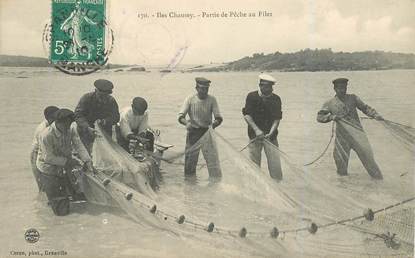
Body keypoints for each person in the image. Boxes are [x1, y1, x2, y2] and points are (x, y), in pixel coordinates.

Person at [317, 78, 384, 179]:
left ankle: (379, 184)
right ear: (335, 89)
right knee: (341, 166)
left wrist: (375, 115)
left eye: (344, 87)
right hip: (342, 139)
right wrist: (331, 117)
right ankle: (344, 187)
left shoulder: (353, 98)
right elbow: (319, 117)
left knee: (370, 162)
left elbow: (365, 108)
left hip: (358, 136)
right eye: (340, 88)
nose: (342, 90)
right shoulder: (329, 103)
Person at [37, 108, 94, 216]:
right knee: (62, 211)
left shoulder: (70, 129)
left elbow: (78, 145)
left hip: (65, 163)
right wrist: (69, 161)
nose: (68, 127)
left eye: (69, 124)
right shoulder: (46, 135)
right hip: (48, 168)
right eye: (65, 125)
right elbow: (48, 158)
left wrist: (87, 161)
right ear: (57, 122)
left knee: (78, 197)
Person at [178, 77, 223, 177]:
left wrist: (214, 124)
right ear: (197, 88)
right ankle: (190, 187)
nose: (204, 91)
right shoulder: (190, 99)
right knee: (190, 164)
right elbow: (180, 117)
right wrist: (187, 123)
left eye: (206, 89)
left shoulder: (212, 99)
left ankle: (214, 187)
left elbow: (219, 118)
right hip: (193, 133)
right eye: (202, 88)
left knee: (213, 163)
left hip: (207, 133)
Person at [242, 73, 283, 180]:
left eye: (271, 87)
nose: (270, 90)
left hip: (271, 137)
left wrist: (271, 132)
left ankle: (278, 190)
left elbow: (277, 119)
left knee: (276, 168)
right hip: (254, 137)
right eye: (267, 87)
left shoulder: (276, 99)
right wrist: (256, 130)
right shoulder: (252, 96)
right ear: (261, 86)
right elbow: (247, 115)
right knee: (254, 167)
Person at [74, 79, 120, 153]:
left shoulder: (111, 101)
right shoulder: (86, 98)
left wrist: (105, 121)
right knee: (87, 152)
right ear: (96, 90)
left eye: (105, 96)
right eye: (101, 95)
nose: (103, 98)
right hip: (86, 129)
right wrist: (87, 127)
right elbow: (78, 115)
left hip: (104, 130)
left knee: (105, 153)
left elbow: (116, 117)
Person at [30, 106, 59, 192]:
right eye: (55, 118)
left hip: (45, 153)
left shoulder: (53, 126)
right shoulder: (43, 129)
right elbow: (45, 152)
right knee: (42, 185)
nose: (58, 120)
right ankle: (41, 202)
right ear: (48, 118)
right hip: (36, 154)